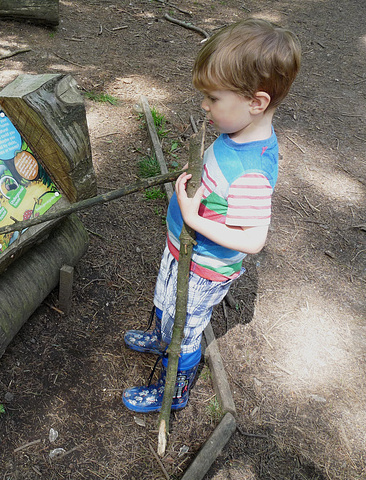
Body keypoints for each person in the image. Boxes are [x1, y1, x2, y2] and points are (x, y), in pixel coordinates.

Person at [122, 18, 301, 413]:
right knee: (166, 302)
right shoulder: (238, 131)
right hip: (183, 248)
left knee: (184, 327)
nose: (204, 105)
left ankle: (174, 388)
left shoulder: (251, 171)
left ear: (256, 103)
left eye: (214, 99)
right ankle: (160, 333)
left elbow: (254, 240)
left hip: (204, 267)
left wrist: (194, 218)